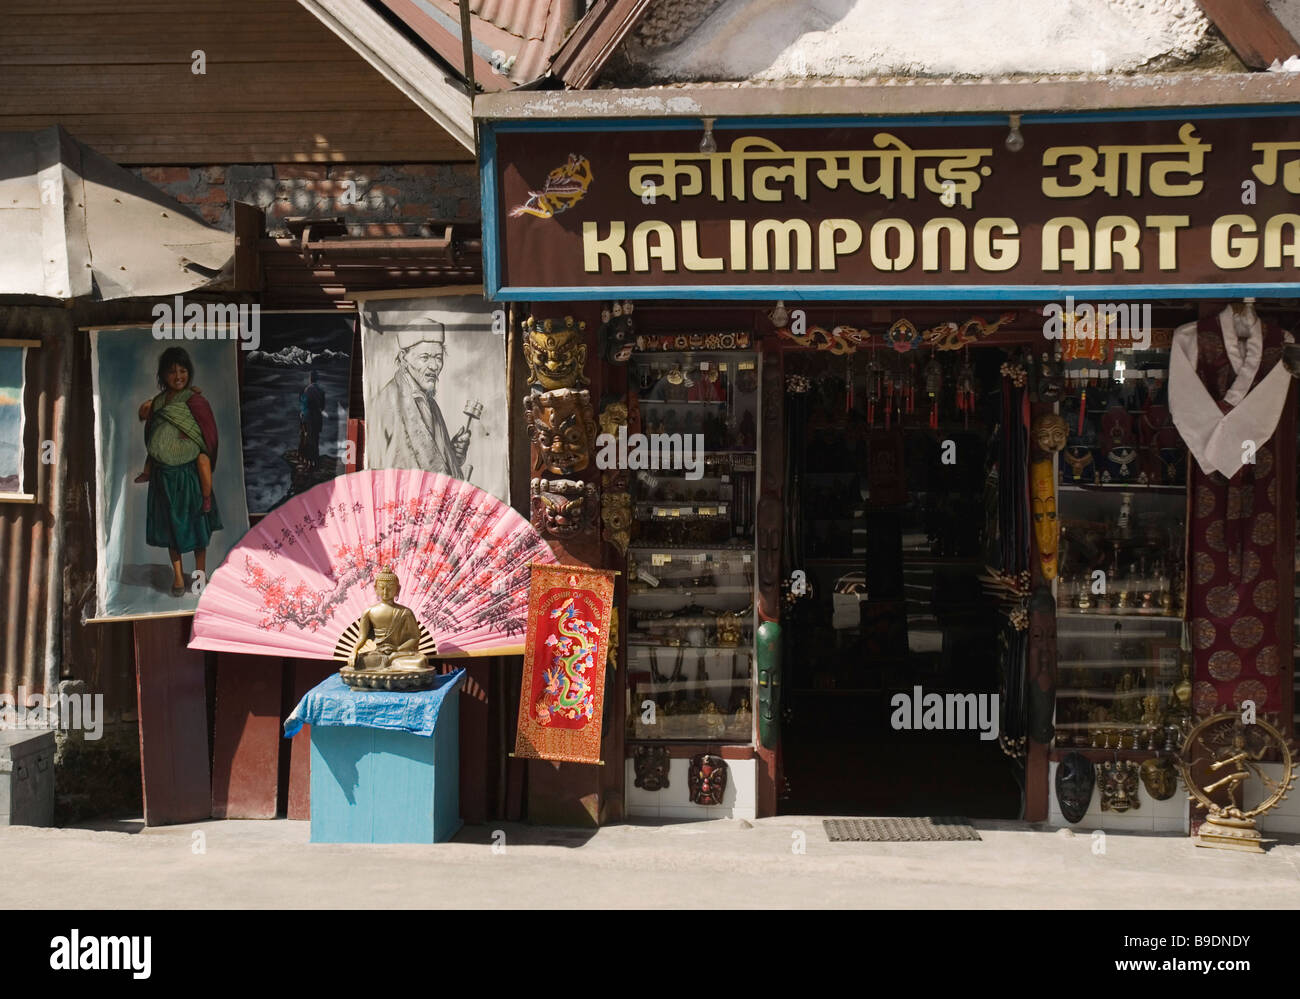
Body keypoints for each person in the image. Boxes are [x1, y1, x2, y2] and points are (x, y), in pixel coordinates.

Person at [137, 346, 221, 597]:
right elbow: (150, 427)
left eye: (183, 371)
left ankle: (199, 575)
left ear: (190, 373)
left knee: (196, 529)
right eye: (172, 371)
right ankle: (177, 578)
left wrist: (195, 447)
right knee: (171, 530)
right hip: (164, 477)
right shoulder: (159, 402)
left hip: (189, 475)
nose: (178, 376)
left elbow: (209, 434)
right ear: (162, 375)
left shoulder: (196, 401)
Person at [372, 323, 470, 475]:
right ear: (404, 358)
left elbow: (432, 461)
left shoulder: (429, 402)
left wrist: (451, 454)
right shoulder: (386, 401)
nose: (434, 366)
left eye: (438, 358)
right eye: (425, 358)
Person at [299, 369, 325, 469]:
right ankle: (316, 461)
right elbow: (322, 407)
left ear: (310, 379)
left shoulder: (306, 390)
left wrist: (302, 416)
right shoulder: (321, 391)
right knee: (316, 439)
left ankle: (310, 462)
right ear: (317, 379)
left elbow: (304, 406)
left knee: (309, 439)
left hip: (308, 417)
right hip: (318, 418)